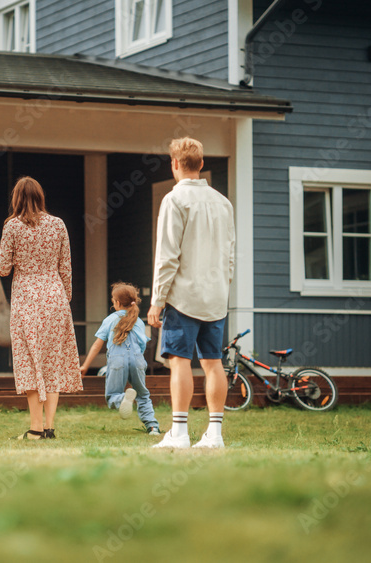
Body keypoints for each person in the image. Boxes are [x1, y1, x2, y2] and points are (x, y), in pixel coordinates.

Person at [148, 137, 235, 449]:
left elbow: (167, 256)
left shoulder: (174, 200)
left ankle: (180, 433)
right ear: (201, 165)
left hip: (183, 297)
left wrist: (157, 300)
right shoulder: (224, 203)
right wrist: (223, 288)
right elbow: (230, 256)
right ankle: (215, 434)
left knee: (180, 361)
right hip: (216, 298)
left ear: (174, 165)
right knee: (213, 363)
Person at [0, 176, 82, 440]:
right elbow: (66, 267)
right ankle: (50, 428)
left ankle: (35, 429)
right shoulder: (58, 224)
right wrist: (64, 299)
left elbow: (2, 268)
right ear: (41, 197)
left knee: (30, 363)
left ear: (16, 199)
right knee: (51, 363)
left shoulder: (12, 227)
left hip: (26, 300)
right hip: (55, 299)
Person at [80, 282, 160, 435]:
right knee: (143, 395)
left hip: (117, 360)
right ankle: (152, 427)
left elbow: (97, 345)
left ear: (116, 303)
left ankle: (122, 399)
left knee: (112, 395)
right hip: (137, 360)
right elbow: (143, 345)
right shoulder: (138, 322)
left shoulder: (110, 320)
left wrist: (85, 366)